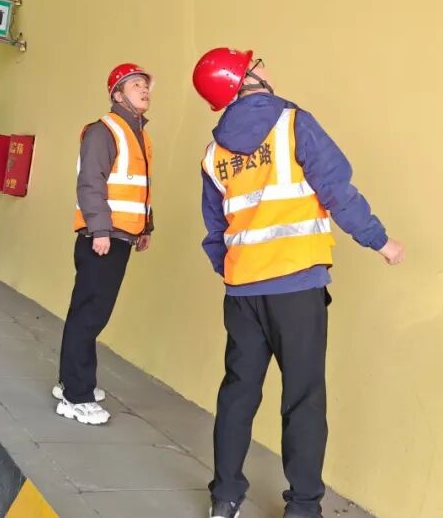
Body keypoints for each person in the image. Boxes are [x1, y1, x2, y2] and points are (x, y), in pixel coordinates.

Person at [192, 48, 405, 518]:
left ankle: (225, 498)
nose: (264, 66)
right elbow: (337, 190)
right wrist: (380, 241)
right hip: (296, 288)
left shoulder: (213, 154)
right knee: (303, 397)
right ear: (246, 78)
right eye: (256, 63)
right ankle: (304, 507)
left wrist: (237, 271)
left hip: (243, 293)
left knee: (238, 393)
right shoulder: (293, 124)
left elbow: (215, 230)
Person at [55, 63, 154, 425]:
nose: (144, 89)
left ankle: (70, 381)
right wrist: (99, 231)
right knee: (90, 314)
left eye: (145, 84)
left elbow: (138, 187)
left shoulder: (138, 134)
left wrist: (145, 227)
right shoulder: (104, 131)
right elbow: (91, 183)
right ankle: (76, 397)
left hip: (119, 236)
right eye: (135, 84)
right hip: (103, 238)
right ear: (117, 94)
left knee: (88, 312)